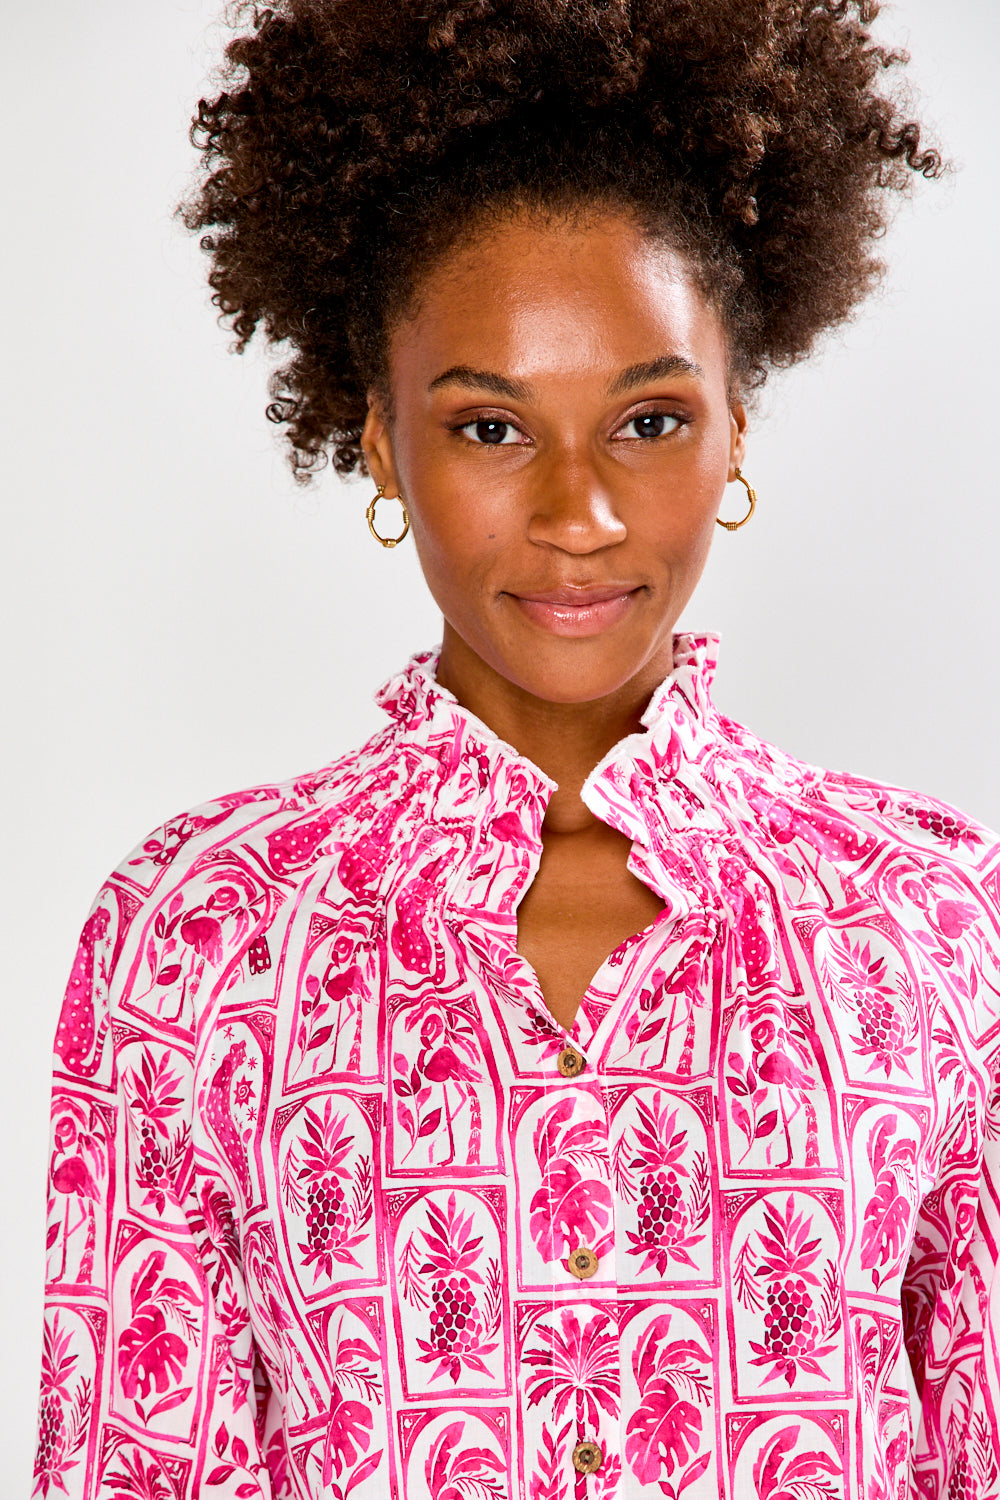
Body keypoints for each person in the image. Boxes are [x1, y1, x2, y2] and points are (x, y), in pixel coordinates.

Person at [32, 1, 1000, 1497]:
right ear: (377, 440)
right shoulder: (196, 937)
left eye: (651, 421)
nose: (578, 514)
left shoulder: (936, 920)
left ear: (740, 426)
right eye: (489, 428)